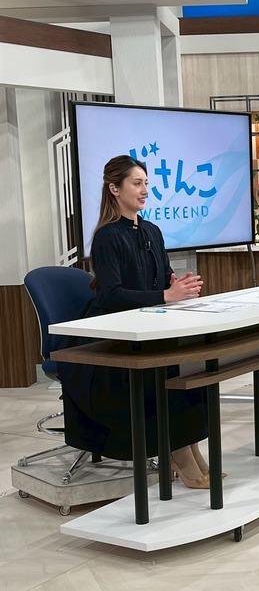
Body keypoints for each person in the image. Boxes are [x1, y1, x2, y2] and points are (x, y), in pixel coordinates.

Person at [58, 155, 212, 489]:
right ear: (115, 189)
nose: (145, 190)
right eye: (137, 184)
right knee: (164, 371)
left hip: (147, 325)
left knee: (189, 367)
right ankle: (178, 453)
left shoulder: (152, 230)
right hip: (110, 334)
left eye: (146, 184)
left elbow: (162, 278)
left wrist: (178, 286)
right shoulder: (106, 237)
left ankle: (189, 448)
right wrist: (166, 295)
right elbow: (111, 295)